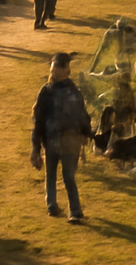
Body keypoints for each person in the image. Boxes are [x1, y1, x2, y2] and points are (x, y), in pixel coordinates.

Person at [31, 51, 91, 222]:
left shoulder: (74, 92)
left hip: (70, 141)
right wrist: (35, 148)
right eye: (53, 65)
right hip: (51, 140)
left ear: (67, 69)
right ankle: (52, 205)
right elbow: (38, 120)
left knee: (68, 176)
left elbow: (82, 116)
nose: (54, 69)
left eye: (58, 66)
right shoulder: (47, 91)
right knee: (51, 174)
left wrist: (85, 136)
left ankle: (75, 211)